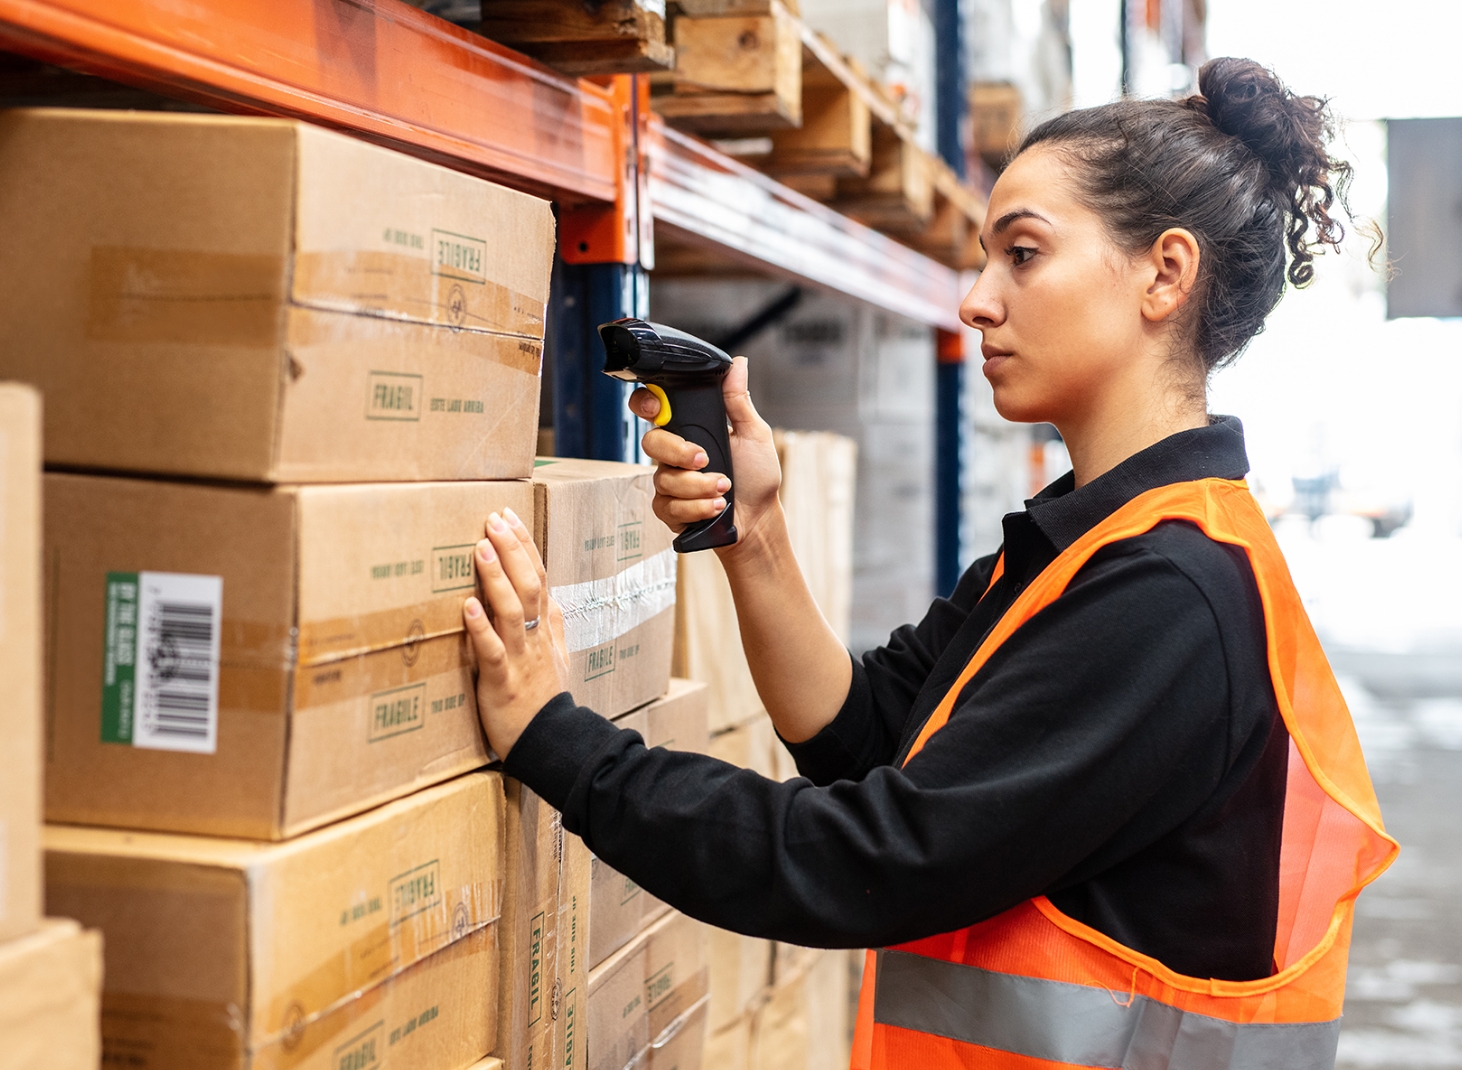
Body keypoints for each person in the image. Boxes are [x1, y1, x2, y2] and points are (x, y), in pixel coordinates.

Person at [462, 57, 1397, 1069]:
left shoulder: (1169, 594)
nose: (978, 302)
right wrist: (758, 536)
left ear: (1163, 274)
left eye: (1023, 255)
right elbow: (865, 734)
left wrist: (554, 739)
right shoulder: (1081, 546)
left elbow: (870, 859)